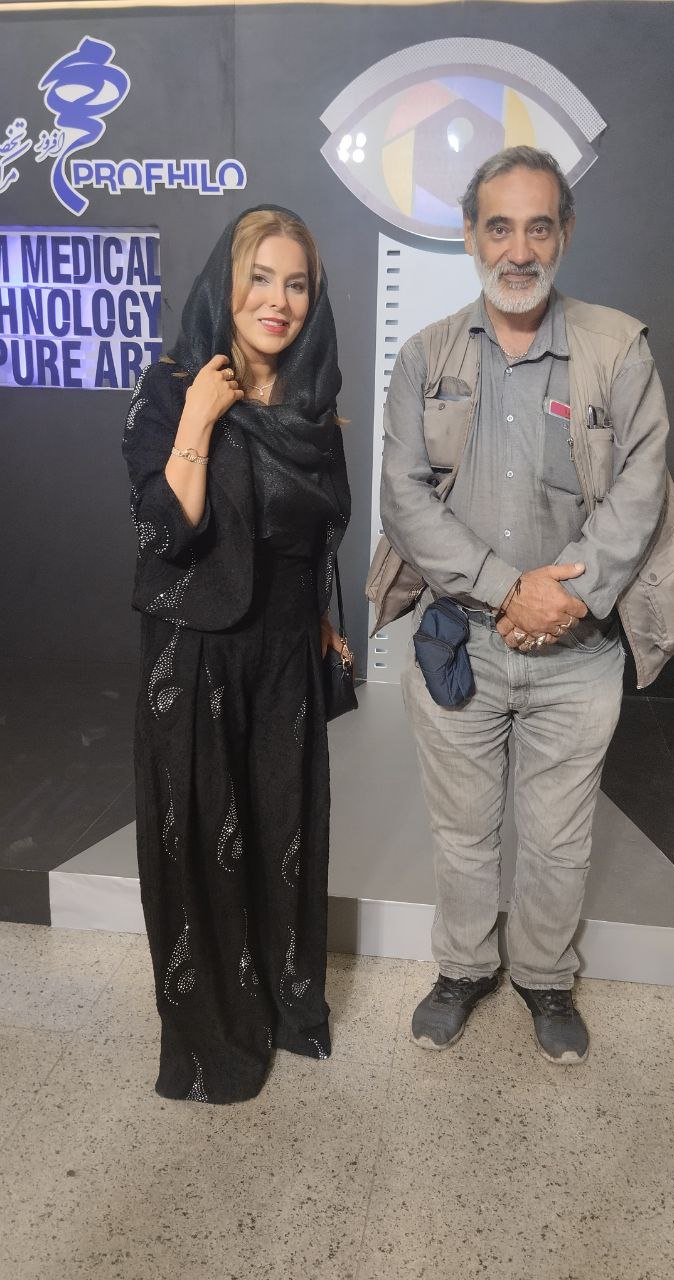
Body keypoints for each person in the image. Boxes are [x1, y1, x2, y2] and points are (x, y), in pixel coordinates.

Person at [379, 146, 674, 1065]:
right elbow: (404, 498)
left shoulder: (618, 349)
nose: (518, 250)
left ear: (565, 233)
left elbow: (640, 489)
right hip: (461, 645)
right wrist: (505, 590)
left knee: (558, 841)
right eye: (499, 227)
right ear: (470, 236)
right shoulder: (424, 356)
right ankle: (463, 970)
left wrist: (566, 597)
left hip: (579, 652)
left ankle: (547, 979)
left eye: (538, 227)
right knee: (464, 834)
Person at [122, 207, 350, 1103]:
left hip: (284, 656)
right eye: (260, 277)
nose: (277, 301)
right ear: (228, 284)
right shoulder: (173, 385)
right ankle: (215, 1033)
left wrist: (321, 621)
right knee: (201, 843)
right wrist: (199, 417)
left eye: (296, 284)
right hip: (197, 656)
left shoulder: (312, 406)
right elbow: (164, 531)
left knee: (283, 830)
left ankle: (286, 1002)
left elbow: (315, 536)